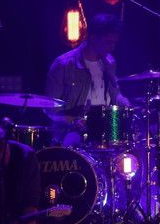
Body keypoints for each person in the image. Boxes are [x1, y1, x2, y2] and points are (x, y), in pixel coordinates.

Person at [46, 13, 131, 145]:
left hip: (106, 130)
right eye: (108, 42)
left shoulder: (110, 62)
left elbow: (115, 94)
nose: (112, 47)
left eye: (114, 43)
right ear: (93, 38)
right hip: (74, 132)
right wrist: (72, 121)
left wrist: (128, 106)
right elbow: (50, 108)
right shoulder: (63, 65)